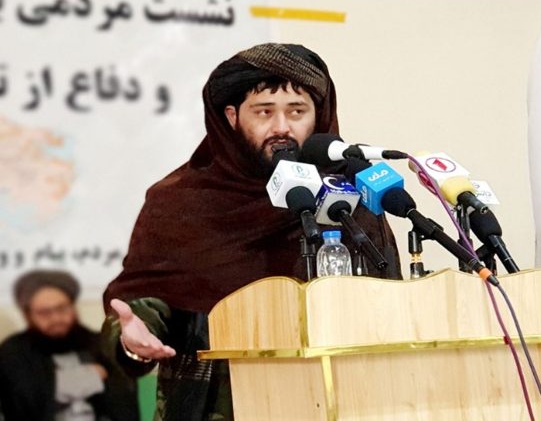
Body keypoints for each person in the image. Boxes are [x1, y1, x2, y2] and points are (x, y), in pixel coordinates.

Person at [101, 42, 402, 421]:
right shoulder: (179, 201)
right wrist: (134, 339)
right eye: (264, 112)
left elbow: (388, 307)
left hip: (343, 401)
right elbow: (148, 301)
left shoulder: (349, 198)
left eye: (297, 111)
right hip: (214, 403)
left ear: (320, 116)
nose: (282, 127)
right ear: (231, 116)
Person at [0, 270, 139, 421]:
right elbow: (25, 398)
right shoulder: (14, 351)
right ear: (28, 315)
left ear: (73, 307)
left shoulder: (100, 343)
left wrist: (57, 384)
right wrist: (92, 376)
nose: (56, 318)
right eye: (44, 312)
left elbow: (124, 394)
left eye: (62, 308)